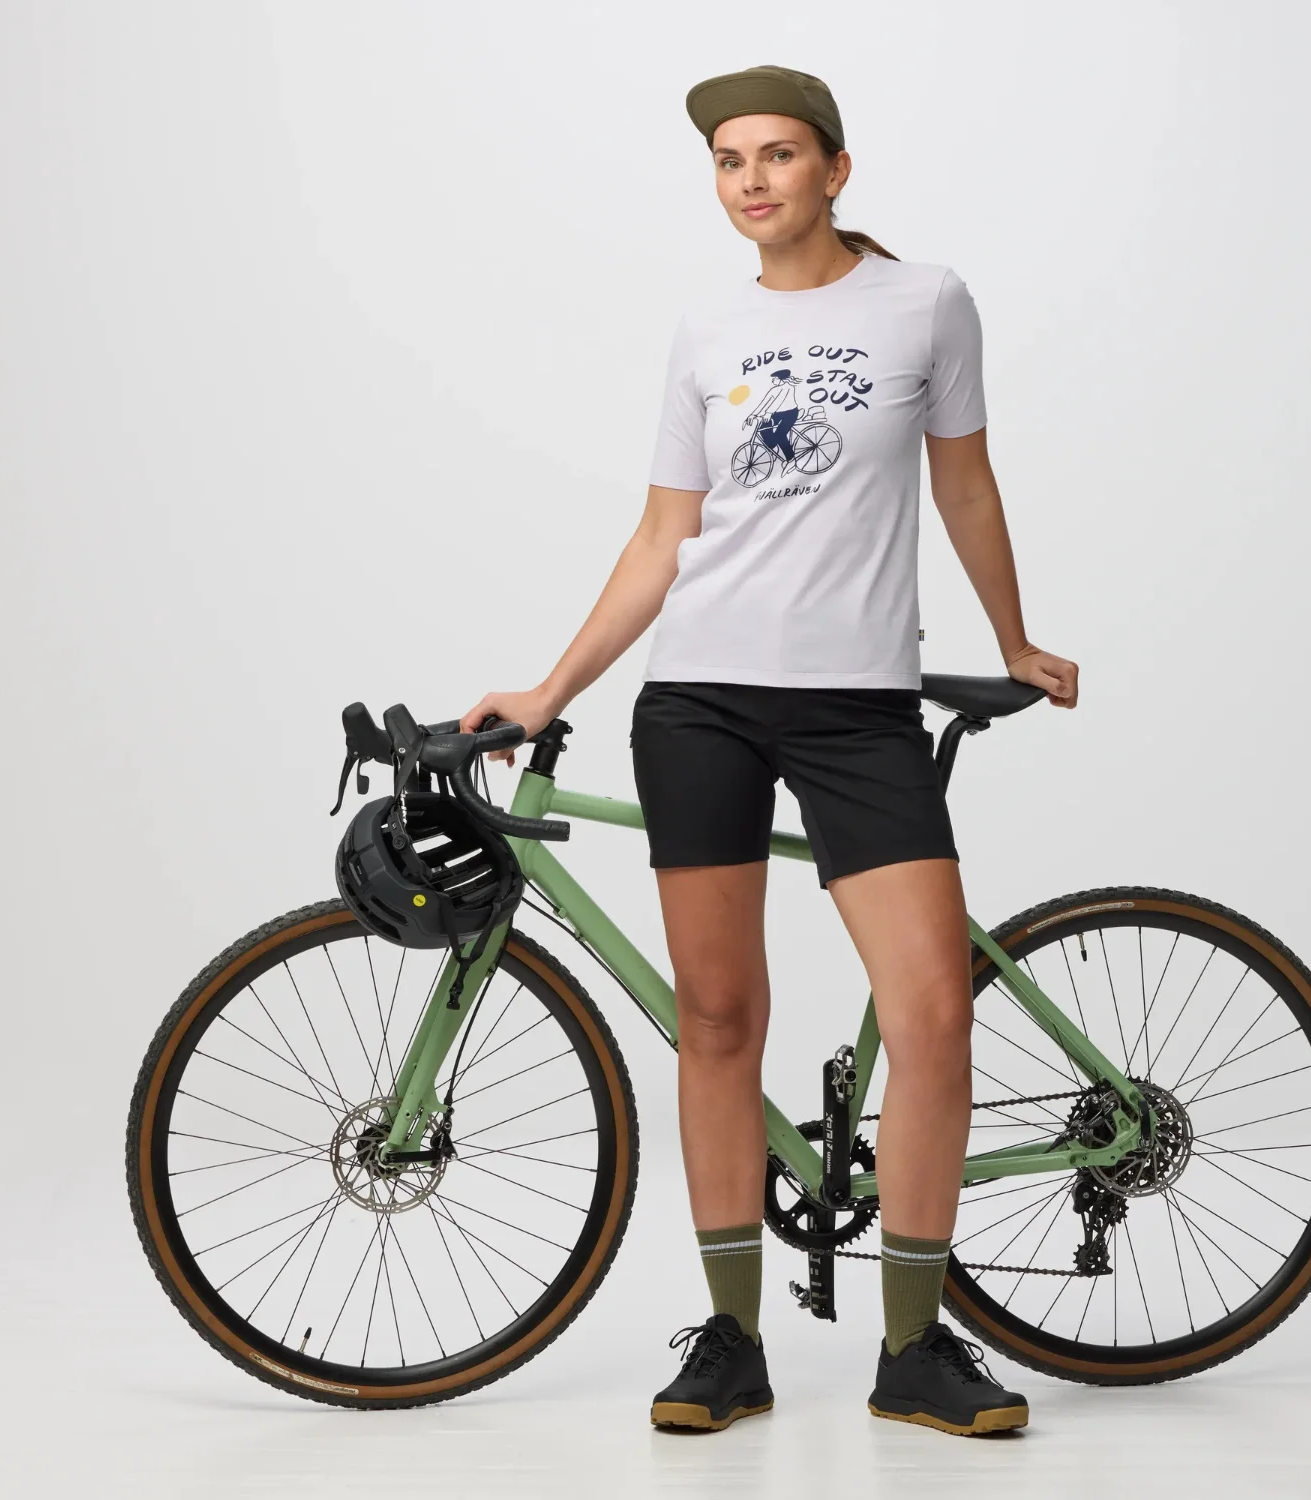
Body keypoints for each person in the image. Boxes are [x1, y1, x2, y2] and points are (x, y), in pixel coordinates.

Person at [462, 63, 1079, 1438]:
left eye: (780, 155)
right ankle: (732, 1340)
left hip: (860, 706)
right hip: (700, 704)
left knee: (932, 1015)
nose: (752, 179)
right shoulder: (706, 328)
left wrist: (1016, 636)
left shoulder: (926, 302)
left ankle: (915, 1348)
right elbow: (662, 534)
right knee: (720, 1020)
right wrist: (552, 685)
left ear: (836, 170)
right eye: (731, 159)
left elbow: (965, 483)